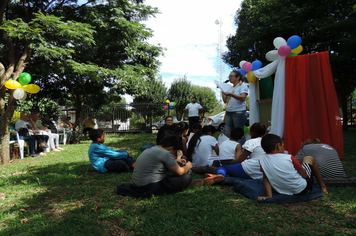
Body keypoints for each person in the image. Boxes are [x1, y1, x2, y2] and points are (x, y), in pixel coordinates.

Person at [117, 134, 194, 197]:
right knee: (188, 174)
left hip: (136, 185)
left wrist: (176, 161)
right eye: (174, 152)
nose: (173, 154)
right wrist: (188, 166)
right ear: (171, 148)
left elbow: (158, 162)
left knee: (172, 172)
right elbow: (179, 172)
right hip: (149, 187)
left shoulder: (151, 149)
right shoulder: (166, 153)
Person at [257, 134, 328, 201]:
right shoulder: (289, 157)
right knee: (309, 158)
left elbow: (265, 178)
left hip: (282, 191)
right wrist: (305, 180)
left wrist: (269, 196)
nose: (283, 148)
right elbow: (303, 173)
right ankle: (323, 187)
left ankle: (320, 186)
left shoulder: (262, 159)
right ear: (278, 146)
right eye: (283, 146)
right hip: (303, 189)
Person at [221, 71, 248, 143]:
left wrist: (231, 94)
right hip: (229, 112)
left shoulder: (242, 85)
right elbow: (225, 101)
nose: (229, 78)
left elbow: (243, 97)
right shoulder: (230, 88)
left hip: (238, 112)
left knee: (239, 133)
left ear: (238, 77)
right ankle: (231, 149)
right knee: (228, 133)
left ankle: (241, 150)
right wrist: (222, 91)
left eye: (231, 76)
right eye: (229, 77)